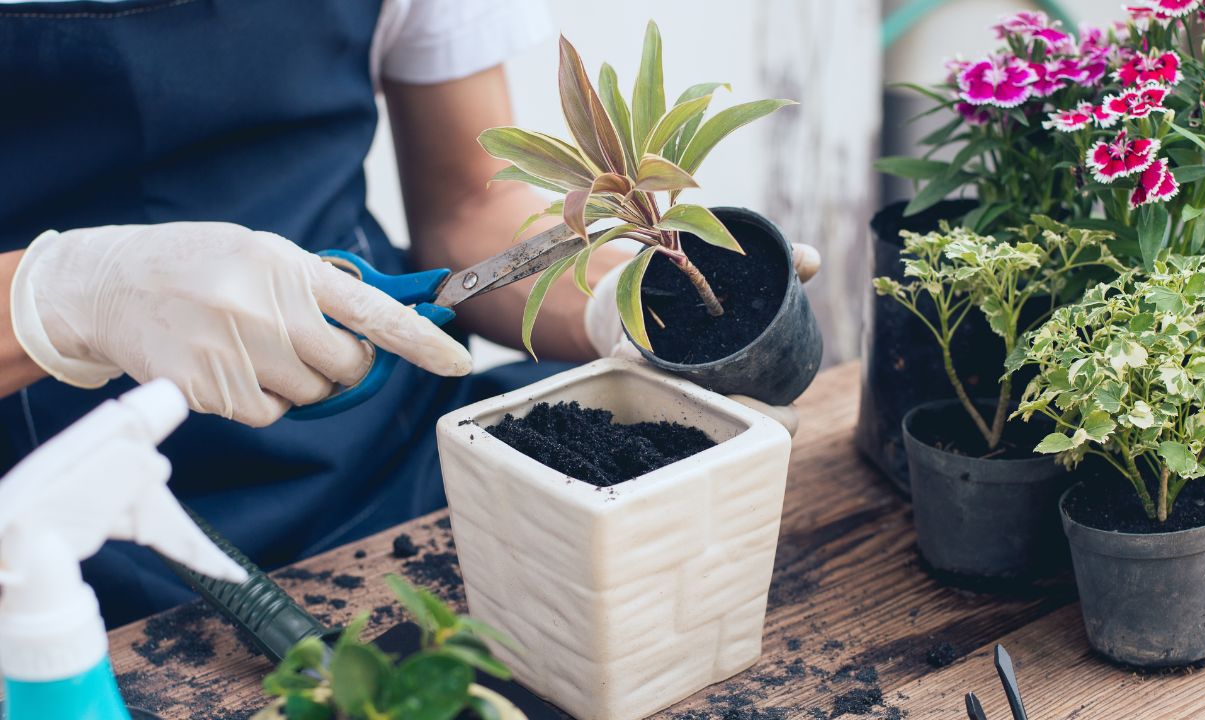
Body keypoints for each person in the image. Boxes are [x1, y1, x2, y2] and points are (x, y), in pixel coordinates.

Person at [0, 0, 818, 627]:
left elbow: (469, 206)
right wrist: (67, 296)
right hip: (51, 519)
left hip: (379, 446)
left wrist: (616, 304)